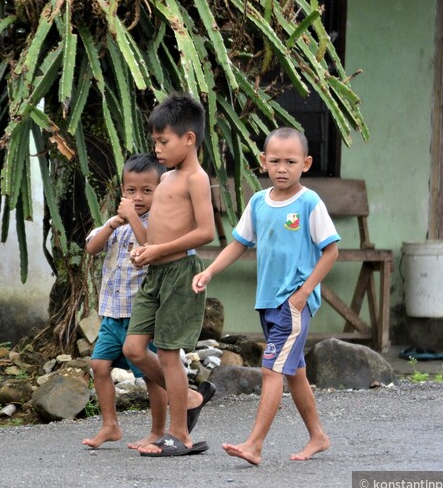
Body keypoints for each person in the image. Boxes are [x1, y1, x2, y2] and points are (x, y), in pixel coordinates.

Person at [191, 127, 339, 466]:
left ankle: (254, 444)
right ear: (263, 162)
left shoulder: (309, 203)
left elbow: (331, 252)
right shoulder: (258, 202)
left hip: (292, 304)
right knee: (294, 372)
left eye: (291, 161)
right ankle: (318, 436)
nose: (282, 168)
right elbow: (239, 243)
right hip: (268, 302)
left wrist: (302, 295)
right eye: (275, 161)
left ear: (306, 163)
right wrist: (210, 271)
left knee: (271, 370)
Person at [122, 93, 217, 457]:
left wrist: (158, 251)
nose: (157, 149)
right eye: (155, 142)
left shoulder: (196, 178)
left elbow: (206, 232)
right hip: (156, 274)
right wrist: (142, 250)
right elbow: (154, 237)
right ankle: (190, 397)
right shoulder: (166, 180)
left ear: (189, 139)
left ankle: (180, 435)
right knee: (133, 348)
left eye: (164, 141)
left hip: (180, 272)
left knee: (167, 353)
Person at [81, 154, 169, 450]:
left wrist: (132, 218)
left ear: (160, 190)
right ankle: (111, 425)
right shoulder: (115, 223)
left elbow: (151, 247)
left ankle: (158, 430)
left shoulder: (158, 222)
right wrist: (114, 223)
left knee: (151, 376)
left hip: (141, 316)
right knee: (99, 364)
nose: (138, 197)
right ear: (122, 191)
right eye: (131, 191)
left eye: (147, 190)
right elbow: (92, 247)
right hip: (111, 314)